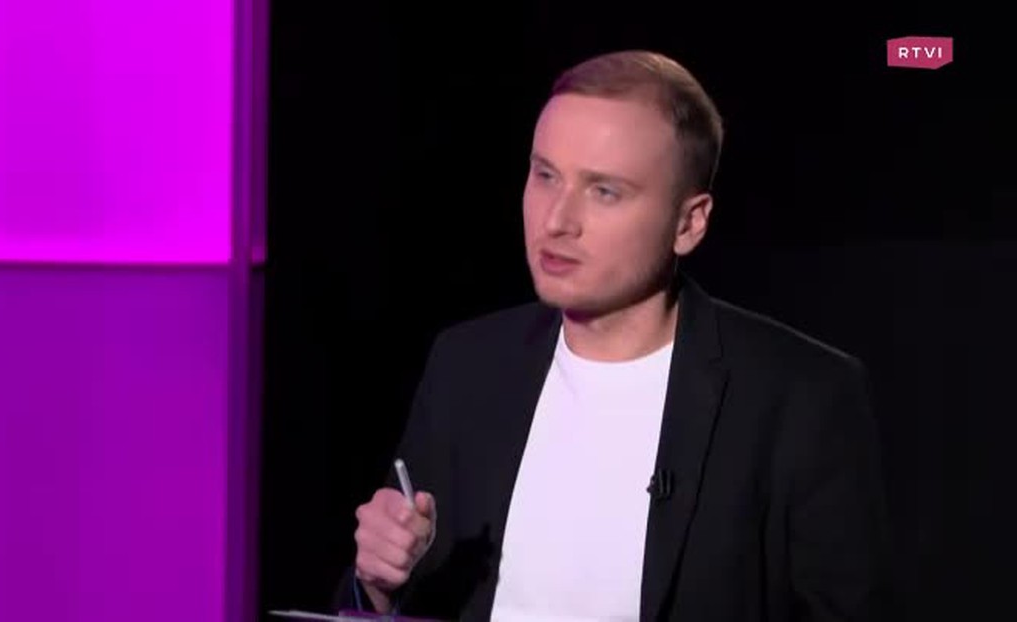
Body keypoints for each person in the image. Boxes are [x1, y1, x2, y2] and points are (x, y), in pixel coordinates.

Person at [332, 49, 892, 621]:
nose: (556, 220)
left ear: (688, 223)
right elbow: (395, 595)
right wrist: (377, 585)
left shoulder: (800, 396)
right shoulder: (468, 366)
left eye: (604, 191)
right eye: (545, 175)